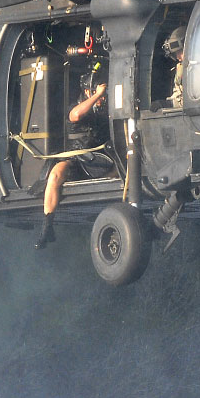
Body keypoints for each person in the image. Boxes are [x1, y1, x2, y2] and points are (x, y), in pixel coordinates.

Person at [37, 29, 113, 248]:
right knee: (56, 174)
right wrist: (97, 95)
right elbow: (76, 115)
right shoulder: (78, 105)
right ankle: (47, 225)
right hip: (77, 158)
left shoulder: (103, 110)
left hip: (101, 158)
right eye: (95, 92)